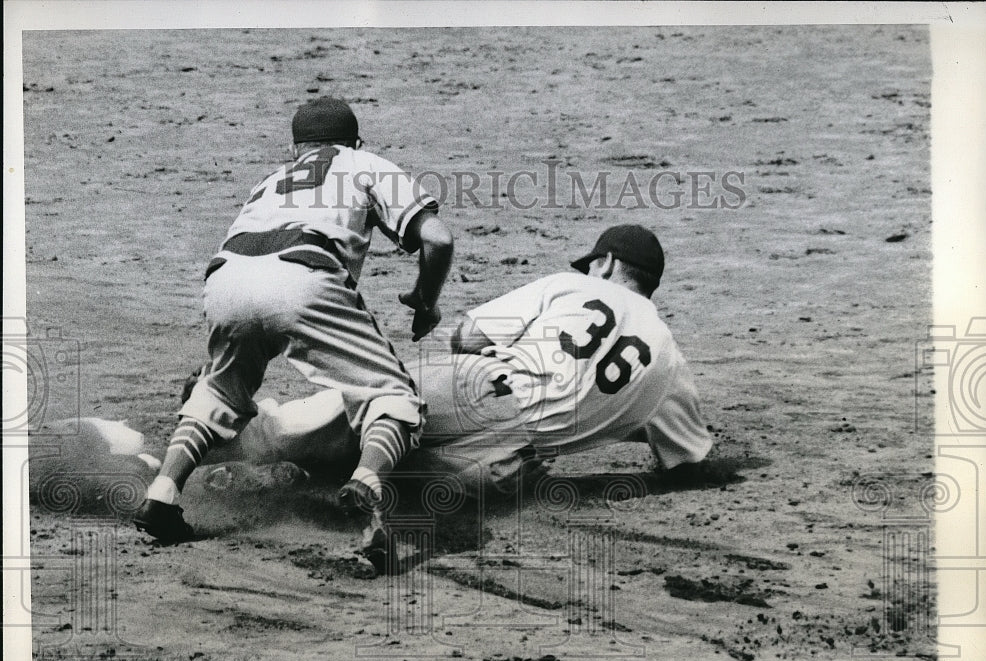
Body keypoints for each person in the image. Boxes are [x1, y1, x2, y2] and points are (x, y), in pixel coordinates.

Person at [134, 96, 454, 546]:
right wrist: (426, 300)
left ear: (295, 150)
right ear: (355, 141)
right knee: (392, 397)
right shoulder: (365, 163)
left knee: (219, 391)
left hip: (226, 277)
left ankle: (162, 494)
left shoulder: (271, 179)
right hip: (304, 275)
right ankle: (368, 482)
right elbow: (438, 239)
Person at [207, 224, 712, 503]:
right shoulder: (670, 364)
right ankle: (323, 485)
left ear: (605, 264)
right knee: (425, 484)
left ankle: (197, 451)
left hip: (482, 390)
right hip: (504, 464)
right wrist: (621, 418)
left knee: (364, 412)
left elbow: (467, 336)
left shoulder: (575, 284)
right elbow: (688, 463)